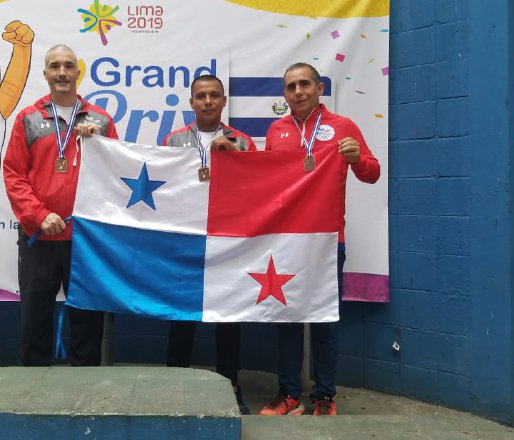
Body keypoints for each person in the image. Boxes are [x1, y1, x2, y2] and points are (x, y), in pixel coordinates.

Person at [258, 63, 380, 416]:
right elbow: (266, 183)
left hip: (328, 240)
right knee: (287, 319)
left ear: (319, 88)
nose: (298, 91)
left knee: (325, 321)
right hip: (285, 241)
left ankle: (325, 396)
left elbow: (372, 173)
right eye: (291, 86)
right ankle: (288, 393)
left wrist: (357, 158)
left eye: (304, 84)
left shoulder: (343, 127)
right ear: (284, 95)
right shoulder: (276, 130)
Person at [3, 44, 118, 367]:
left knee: (87, 324)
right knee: (35, 319)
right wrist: (39, 215)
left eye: (68, 65)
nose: (62, 72)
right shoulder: (28, 119)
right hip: (39, 238)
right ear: (45, 74)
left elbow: (117, 174)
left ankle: (87, 393)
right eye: (55, 66)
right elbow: (13, 174)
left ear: (78, 73)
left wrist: (100, 145)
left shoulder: (101, 121)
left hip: (85, 239)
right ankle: (31, 391)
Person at [161, 74, 257, 414]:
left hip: (226, 241)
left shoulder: (242, 141)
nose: (207, 101)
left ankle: (231, 383)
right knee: (181, 314)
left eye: (214, 95)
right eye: (200, 96)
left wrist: (234, 158)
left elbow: (256, 189)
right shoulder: (173, 142)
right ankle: (174, 385)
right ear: (191, 102)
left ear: (223, 100)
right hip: (186, 241)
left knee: (228, 316)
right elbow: (165, 191)